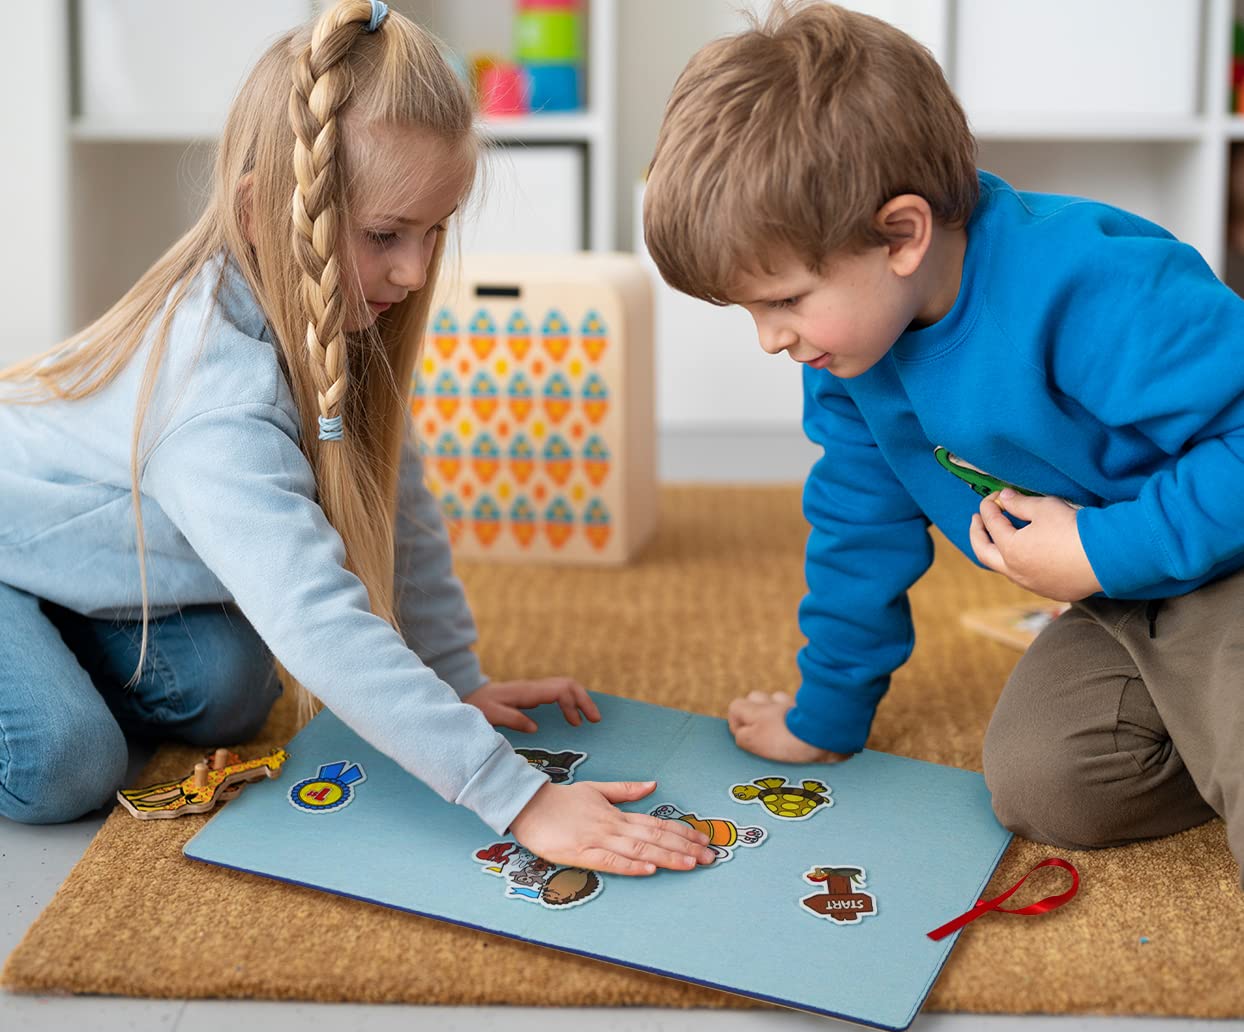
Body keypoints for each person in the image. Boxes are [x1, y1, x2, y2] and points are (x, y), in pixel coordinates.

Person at [0, 0, 712, 877]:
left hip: (78, 562)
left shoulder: (330, 320)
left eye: (433, 233)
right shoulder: (213, 401)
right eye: (384, 236)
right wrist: (514, 794)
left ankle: (42, 638)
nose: (414, 274)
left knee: (232, 691)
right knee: (64, 763)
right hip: (16, 544)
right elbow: (316, 618)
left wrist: (455, 678)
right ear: (264, 213)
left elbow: (396, 504)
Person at [642, 1, 1244, 879]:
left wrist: (1105, 549)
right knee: (1044, 787)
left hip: (1222, 558)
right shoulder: (850, 351)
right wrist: (827, 717)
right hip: (1123, 594)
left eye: (784, 301)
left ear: (901, 235)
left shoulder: (1089, 284)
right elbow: (860, 523)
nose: (770, 338)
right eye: (749, 311)